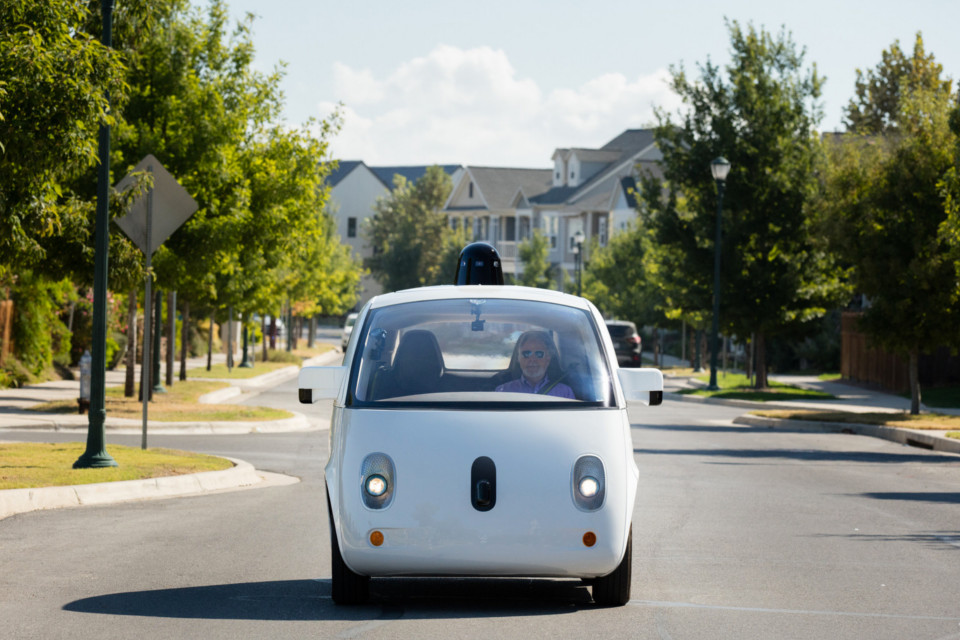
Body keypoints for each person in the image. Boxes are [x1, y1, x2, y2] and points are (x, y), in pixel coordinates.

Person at [495, 331, 575, 398]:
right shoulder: (503, 391)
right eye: (526, 354)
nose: (532, 359)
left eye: (539, 354)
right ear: (518, 358)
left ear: (548, 358)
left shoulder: (565, 392)